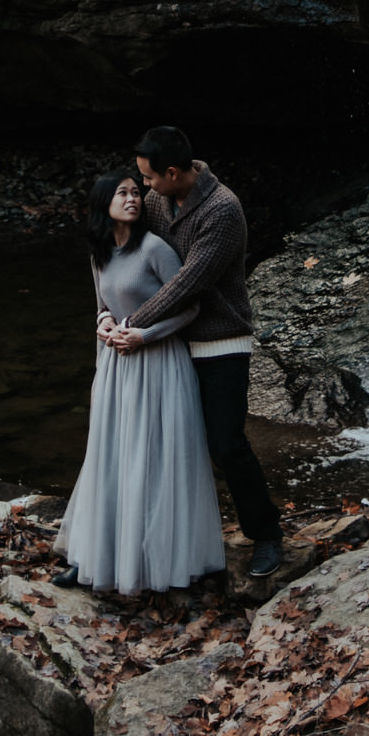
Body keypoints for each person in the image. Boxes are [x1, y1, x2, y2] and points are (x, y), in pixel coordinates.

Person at [115, 126, 287, 578]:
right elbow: (129, 249)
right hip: (171, 339)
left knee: (226, 443)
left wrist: (132, 324)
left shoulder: (222, 210)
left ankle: (266, 535)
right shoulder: (158, 199)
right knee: (164, 442)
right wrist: (107, 309)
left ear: (173, 172)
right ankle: (161, 540)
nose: (145, 186)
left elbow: (189, 282)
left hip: (219, 342)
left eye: (150, 178)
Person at [52, 172, 227, 593]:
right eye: (123, 193)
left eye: (136, 191)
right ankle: (94, 557)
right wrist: (105, 322)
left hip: (158, 362)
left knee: (151, 458)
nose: (133, 199)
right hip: (116, 366)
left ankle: (156, 561)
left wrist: (143, 334)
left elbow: (189, 308)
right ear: (102, 204)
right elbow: (101, 304)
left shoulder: (154, 248)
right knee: (109, 456)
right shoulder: (99, 254)